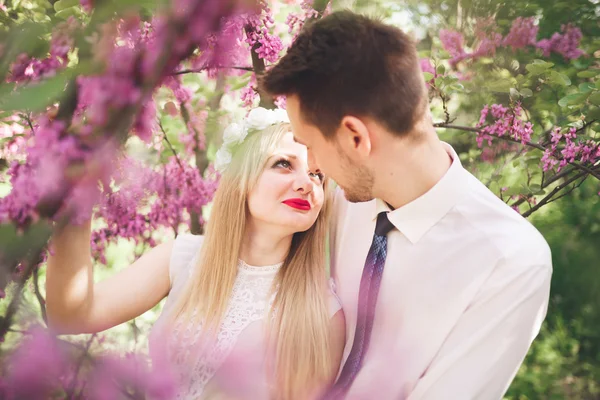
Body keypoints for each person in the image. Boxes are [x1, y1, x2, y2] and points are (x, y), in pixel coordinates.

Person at [261, 10, 552, 400]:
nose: (310, 166)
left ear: (355, 138)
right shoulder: (337, 195)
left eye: (310, 145)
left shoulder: (509, 262)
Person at [45, 108, 346, 400]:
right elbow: (70, 316)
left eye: (318, 175)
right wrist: (76, 198)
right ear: (241, 178)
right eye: (283, 163)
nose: (307, 184)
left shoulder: (322, 310)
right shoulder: (183, 257)